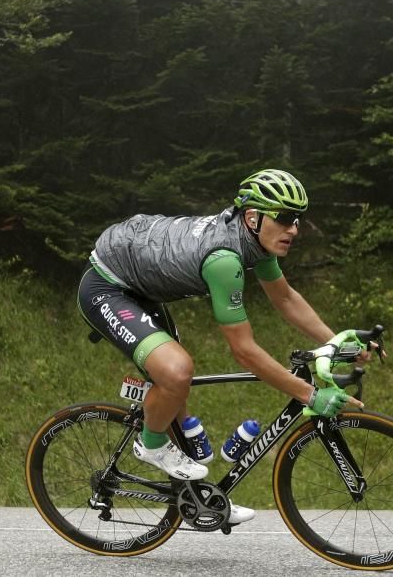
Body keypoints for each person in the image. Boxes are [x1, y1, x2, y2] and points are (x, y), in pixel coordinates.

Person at [77, 168, 364, 525]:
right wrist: (308, 395)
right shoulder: (225, 260)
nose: (294, 229)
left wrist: (334, 339)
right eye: (286, 218)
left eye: (298, 219)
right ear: (253, 217)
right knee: (176, 372)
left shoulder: (256, 242)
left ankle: (202, 502)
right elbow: (244, 351)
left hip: (141, 284)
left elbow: (286, 298)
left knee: (173, 390)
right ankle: (149, 443)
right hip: (107, 286)